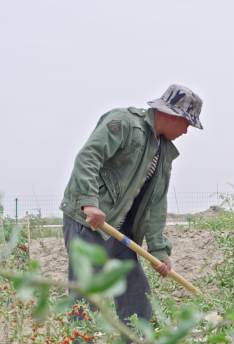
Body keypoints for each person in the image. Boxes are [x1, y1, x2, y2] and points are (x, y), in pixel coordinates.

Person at [60, 84, 204, 323]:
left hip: (121, 230)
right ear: (172, 114)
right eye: (187, 124)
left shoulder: (164, 151)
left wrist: (159, 250)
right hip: (91, 221)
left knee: (137, 298)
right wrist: (88, 203)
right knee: (87, 295)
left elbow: (156, 202)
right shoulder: (124, 123)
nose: (187, 131)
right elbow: (89, 157)